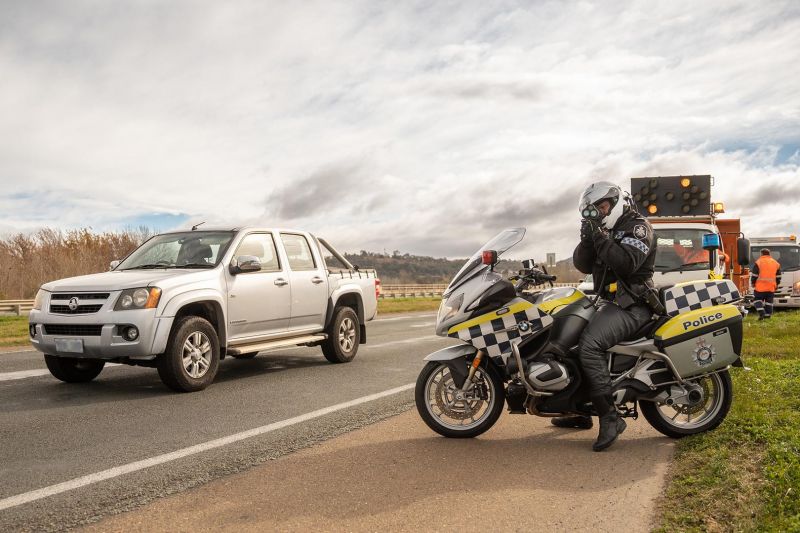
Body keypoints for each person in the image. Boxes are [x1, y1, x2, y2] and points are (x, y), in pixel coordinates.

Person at [551, 181, 657, 451]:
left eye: (601, 206)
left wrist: (599, 236)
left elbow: (626, 263)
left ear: (615, 201)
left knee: (589, 345)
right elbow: (582, 264)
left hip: (634, 305)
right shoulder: (605, 230)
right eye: (592, 210)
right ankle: (579, 411)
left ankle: (610, 417)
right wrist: (588, 238)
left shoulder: (637, 226)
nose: (598, 212)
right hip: (610, 303)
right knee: (566, 339)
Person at [751, 248, 781, 320]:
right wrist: (777, 284)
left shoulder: (758, 262)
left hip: (760, 287)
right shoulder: (776, 263)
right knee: (769, 302)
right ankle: (768, 316)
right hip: (771, 287)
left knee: (757, 300)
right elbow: (778, 276)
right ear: (769, 254)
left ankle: (762, 313)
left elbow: (755, 275)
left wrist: (753, 282)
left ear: (761, 254)